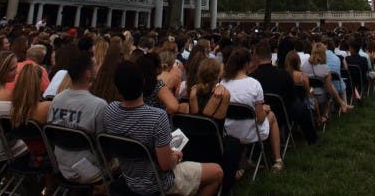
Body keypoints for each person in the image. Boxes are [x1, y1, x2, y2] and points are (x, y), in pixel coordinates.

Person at [103, 61, 223, 196]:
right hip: (158, 183)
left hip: (129, 178)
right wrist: (176, 156)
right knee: (217, 172)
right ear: (143, 82)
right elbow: (165, 165)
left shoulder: (109, 110)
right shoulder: (157, 117)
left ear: (118, 88)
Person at [48, 50, 106, 186]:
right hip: (90, 171)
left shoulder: (57, 99)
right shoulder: (98, 105)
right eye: (95, 65)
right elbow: (104, 146)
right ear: (88, 73)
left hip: (61, 165)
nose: (98, 67)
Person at [221, 48, 283, 172]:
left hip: (228, 132)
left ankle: (243, 160)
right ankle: (278, 160)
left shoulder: (223, 83)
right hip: (249, 132)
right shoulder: (254, 84)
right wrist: (264, 110)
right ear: (246, 64)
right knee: (272, 115)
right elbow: (260, 119)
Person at [250, 41, 317, 145]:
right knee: (301, 107)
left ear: (256, 57)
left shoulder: (252, 77)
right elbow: (292, 96)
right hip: (283, 114)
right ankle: (312, 139)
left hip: (261, 114)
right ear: (270, 55)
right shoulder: (284, 75)